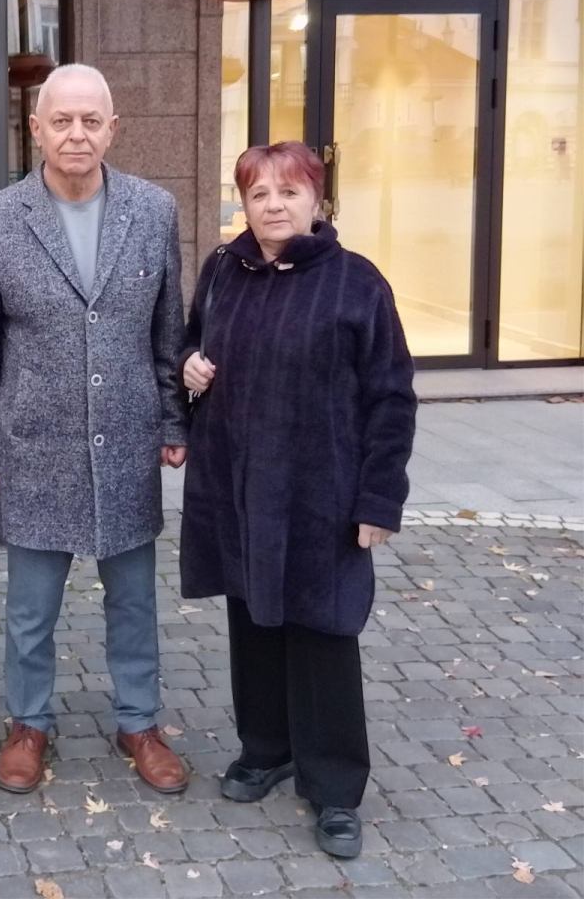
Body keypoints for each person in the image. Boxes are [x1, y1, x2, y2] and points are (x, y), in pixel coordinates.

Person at [179, 140, 416, 859]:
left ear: (317, 200)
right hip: (240, 484)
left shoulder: (356, 283)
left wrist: (379, 499)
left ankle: (335, 786)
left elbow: (391, 397)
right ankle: (267, 748)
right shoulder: (224, 271)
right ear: (243, 203)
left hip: (323, 494)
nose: (273, 206)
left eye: (288, 191)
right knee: (252, 618)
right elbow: (193, 346)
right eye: (259, 193)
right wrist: (188, 368)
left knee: (323, 630)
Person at [0, 63, 190, 795]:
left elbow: (168, 331)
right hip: (34, 446)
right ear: (37, 130)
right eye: (62, 120)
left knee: (134, 601)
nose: (77, 134)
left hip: (127, 439)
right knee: (31, 609)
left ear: (113, 129)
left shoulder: (153, 211)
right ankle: (28, 723)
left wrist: (174, 418)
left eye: (91, 121)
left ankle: (139, 721)